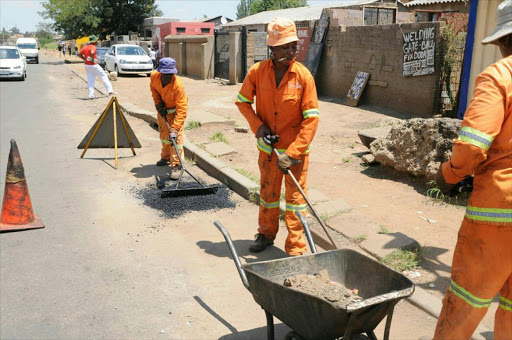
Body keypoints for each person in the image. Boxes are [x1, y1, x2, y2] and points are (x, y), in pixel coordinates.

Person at [433, 1, 512, 339]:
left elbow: (471, 148)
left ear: (503, 41)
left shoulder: (499, 76)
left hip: (499, 213)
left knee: (465, 302)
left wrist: (448, 175)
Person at [235, 17, 320, 256]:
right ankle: (265, 234)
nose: (291, 50)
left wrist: (292, 154)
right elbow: (242, 102)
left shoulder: (304, 77)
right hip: (269, 151)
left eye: (294, 45)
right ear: (271, 48)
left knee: (295, 201)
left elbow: (312, 119)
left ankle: (295, 247)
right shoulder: (257, 72)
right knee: (268, 195)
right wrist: (258, 126)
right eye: (285, 46)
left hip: (296, 155)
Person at [150, 57, 188, 180]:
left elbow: (182, 108)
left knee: (175, 139)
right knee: (164, 136)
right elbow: (154, 91)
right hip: (163, 111)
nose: (168, 77)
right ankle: (166, 157)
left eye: (171, 74)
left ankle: (176, 165)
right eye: (165, 74)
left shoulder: (178, 86)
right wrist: (158, 104)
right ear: (160, 72)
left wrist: (175, 129)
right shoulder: (154, 77)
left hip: (176, 113)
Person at [78, 35, 114, 100]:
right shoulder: (93, 47)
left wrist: (85, 59)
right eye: (96, 41)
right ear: (94, 41)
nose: (97, 42)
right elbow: (92, 52)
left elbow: (79, 54)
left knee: (90, 80)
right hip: (94, 64)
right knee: (103, 76)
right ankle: (110, 91)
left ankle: (91, 95)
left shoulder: (85, 47)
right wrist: (92, 59)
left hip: (87, 65)